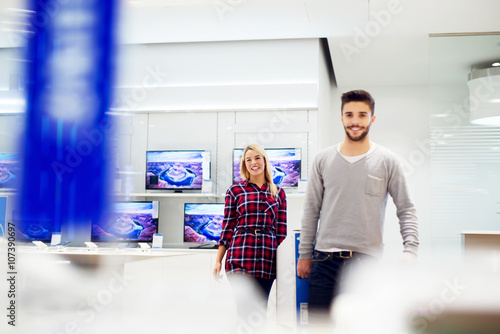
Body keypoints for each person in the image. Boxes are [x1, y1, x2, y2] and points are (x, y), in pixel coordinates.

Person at [297, 90, 419, 323]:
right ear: (341, 118)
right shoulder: (322, 159)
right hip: (324, 261)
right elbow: (311, 209)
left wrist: (410, 249)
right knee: (319, 327)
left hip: (366, 264)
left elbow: (406, 208)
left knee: (361, 326)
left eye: (362, 115)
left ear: (372, 119)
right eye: (349, 115)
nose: (355, 121)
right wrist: (304, 254)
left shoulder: (387, 160)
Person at [213, 144, 287, 331]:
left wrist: (277, 257)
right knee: (244, 310)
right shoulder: (235, 191)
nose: (253, 162)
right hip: (240, 256)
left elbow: (281, 232)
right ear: (244, 165)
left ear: (264, 161)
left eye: (257, 158)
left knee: (259, 313)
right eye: (248, 160)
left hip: (266, 260)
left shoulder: (279, 192)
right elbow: (228, 226)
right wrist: (218, 260)